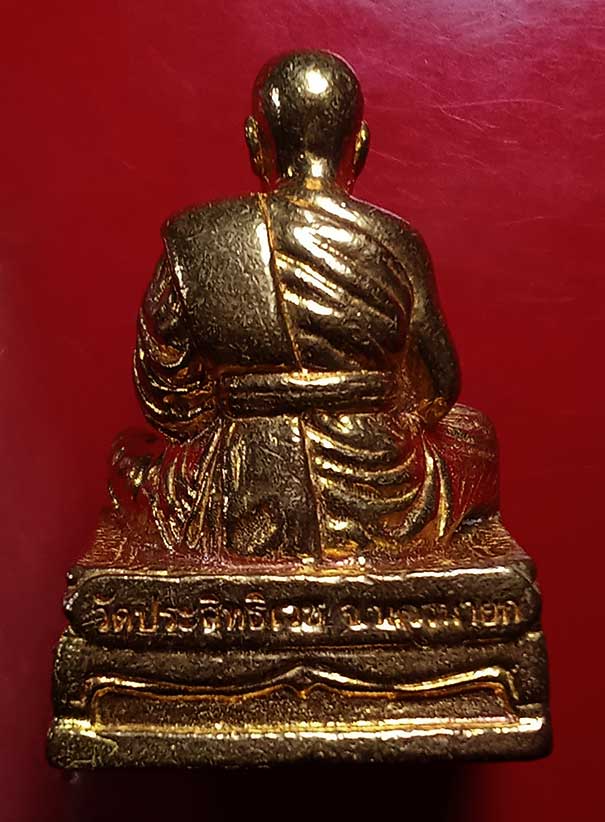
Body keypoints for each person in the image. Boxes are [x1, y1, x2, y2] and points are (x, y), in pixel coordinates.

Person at [112, 50, 498, 562]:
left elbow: (166, 396)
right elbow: (440, 387)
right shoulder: (397, 240)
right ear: (360, 147)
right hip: (379, 484)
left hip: (231, 486)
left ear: (254, 143)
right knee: (474, 439)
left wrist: (247, 406)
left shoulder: (198, 237)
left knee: (128, 456)